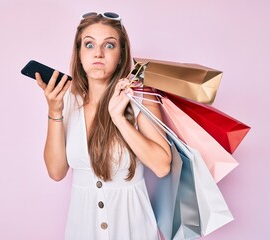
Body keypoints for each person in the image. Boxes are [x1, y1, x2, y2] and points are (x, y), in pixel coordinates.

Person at [35, 12, 171, 240]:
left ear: (121, 55)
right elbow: (56, 172)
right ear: (79, 54)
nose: (98, 53)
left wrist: (118, 118)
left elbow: (161, 166)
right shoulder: (67, 101)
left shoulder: (139, 99)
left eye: (109, 45)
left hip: (133, 230)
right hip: (83, 230)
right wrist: (54, 111)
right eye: (89, 45)